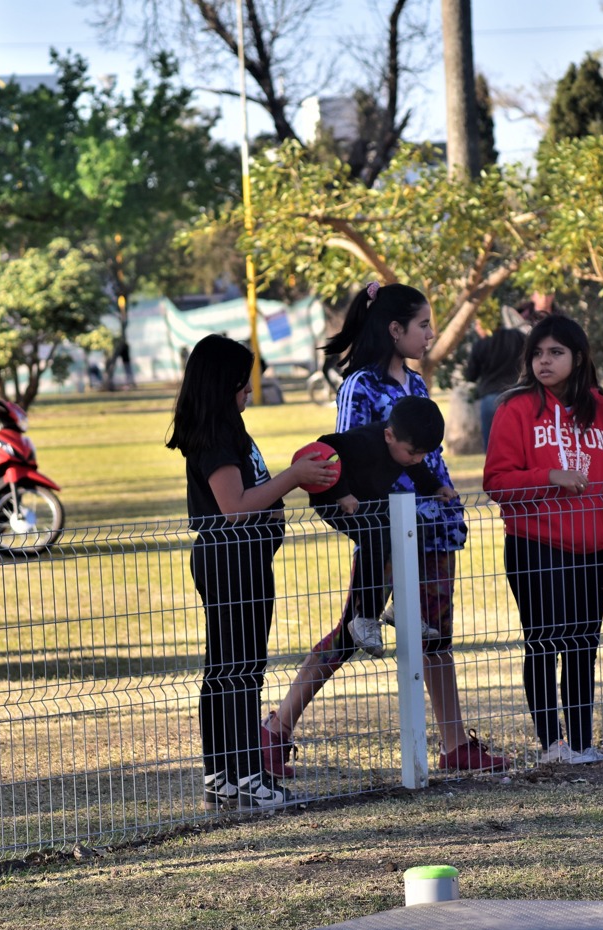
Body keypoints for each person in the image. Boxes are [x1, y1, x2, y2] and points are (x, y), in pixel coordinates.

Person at [262, 282, 508, 779]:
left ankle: (455, 743)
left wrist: (444, 497)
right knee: (354, 630)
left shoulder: (416, 384)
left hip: (434, 530)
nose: (430, 334)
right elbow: (346, 459)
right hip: (387, 534)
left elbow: (427, 455)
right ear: (394, 329)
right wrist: (374, 529)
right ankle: (274, 731)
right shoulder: (360, 387)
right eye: (422, 325)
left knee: (436, 635)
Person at [166, 333, 336, 811]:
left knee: (231, 669)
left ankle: (225, 776)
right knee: (238, 671)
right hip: (231, 562)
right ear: (225, 384)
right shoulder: (216, 435)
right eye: (243, 384)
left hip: (246, 561)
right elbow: (235, 507)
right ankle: (241, 776)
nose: (248, 392)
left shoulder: (229, 427)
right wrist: (294, 476)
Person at [483, 315, 603, 765]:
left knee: (582, 645)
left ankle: (582, 745)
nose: (544, 361)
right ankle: (552, 746)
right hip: (534, 546)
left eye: (555, 352)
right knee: (544, 641)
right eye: (537, 353)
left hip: (590, 550)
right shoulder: (515, 408)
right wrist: (549, 477)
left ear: (578, 357)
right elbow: (496, 481)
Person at [307, 396, 454, 657]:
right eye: (413, 452)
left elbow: (417, 471)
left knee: (415, 526)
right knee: (375, 537)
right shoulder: (365, 441)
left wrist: (435, 488)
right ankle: (365, 617)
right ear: (388, 435)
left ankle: (402, 607)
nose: (418, 459)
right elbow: (325, 445)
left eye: (423, 453)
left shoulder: (404, 451)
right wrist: (340, 492)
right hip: (334, 500)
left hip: (368, 502)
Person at [464, 303, 532, 448]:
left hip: (490, 399)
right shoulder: (518, 337)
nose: (477, 328)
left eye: (478, 324)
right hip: (515, 395)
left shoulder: (480, 345)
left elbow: (470, 375)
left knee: (492, 447)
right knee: (518, 445)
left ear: (486, 323)